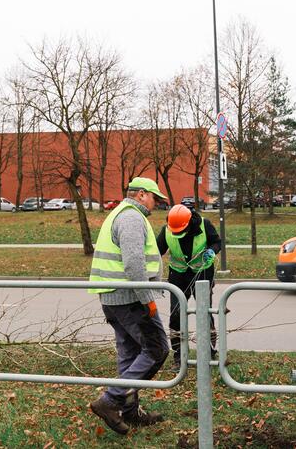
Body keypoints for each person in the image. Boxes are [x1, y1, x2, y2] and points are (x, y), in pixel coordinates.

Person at [88, 177, 170, 435]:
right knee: (157, 349)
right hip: (130, 298)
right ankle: (111, 401)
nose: (156, 205)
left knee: (130, 353)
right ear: (142, 194)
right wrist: (148, 300)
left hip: (113, 297)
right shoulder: (132, 217)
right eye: (155, 199)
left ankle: (129, 412)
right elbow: (134, 264)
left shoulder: (119, 214)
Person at [156, 204, 223, 369]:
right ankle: (179, 355)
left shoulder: (204, 225)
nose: (177, 234)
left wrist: (212, 251)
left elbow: (217, 242)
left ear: (189, 223)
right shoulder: (167, 230)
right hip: (178, 275)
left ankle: (209, 351)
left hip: (202, 273)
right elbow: (157, 251)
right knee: (176, 314)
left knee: (205, 312)